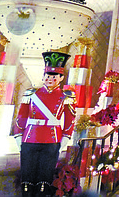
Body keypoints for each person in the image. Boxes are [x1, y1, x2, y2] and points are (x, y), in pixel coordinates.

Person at [14, 52, 75, 197]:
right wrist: (18, 134)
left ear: (60, 78)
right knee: (27, 173)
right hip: (30, 137)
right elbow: (21, 116)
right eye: (47, 76)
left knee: (45, 175)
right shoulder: (31, 94)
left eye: (54, 77)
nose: (50, 79)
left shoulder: (66, 97)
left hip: (52, 139)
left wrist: (66, 137)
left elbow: (69, 119)